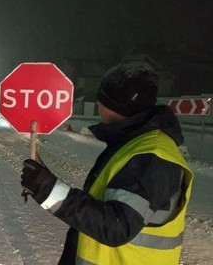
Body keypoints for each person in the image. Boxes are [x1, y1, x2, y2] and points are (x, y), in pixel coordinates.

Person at [20, 62, 193, 265]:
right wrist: (47, 182)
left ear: (116, 106)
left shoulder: (152, 156)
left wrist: (48, 190)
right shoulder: (135, 144)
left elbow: (117, 226)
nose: (98, 106)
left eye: (100, 100)